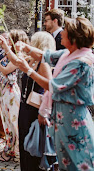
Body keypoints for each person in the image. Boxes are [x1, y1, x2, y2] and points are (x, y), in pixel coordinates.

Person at [16, 17, 94, 171]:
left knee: (78, 163)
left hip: (74, 121)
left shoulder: (81, 62)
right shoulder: (69, 53)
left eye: (65, 31)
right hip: (62, 118)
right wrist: (26, 47)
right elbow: (45, 55)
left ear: (73, 38)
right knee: (65, 162)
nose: (61, 33)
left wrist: (29, 70)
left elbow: (53, 86)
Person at [1, 31, 56, 170]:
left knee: (33, 149)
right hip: (25, 107)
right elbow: (16, 62)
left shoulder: (43, 64)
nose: (30, 43)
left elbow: (49, 86)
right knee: (24, 146)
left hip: (35, 109)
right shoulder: (32, 60)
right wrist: (7, 48)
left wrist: (44, 111)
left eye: (33, 41)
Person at [0, 29, 29, 162]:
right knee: (6, 121)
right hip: (3, 89)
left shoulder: (18, 56)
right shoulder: (9, 55)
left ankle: (14, 150)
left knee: (13, 122)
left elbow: (5, 70)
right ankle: (10, 147)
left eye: (10, 38)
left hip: (10, 92)